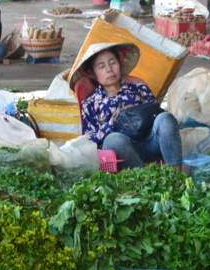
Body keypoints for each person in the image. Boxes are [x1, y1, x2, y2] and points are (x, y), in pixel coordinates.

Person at [69, 42, 183, 172]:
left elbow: (157, 115)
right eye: (101, 66)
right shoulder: (90, 103)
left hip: (150, 143)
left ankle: (176, 175)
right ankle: (144, 177)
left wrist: (138, 111)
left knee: (166, 118)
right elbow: (89, 142)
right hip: (122, 151)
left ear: (120, 64)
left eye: (112, 63)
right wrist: (111, 123)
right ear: (93, 73)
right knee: (113, 139)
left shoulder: (140, 88)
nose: (109, 69)